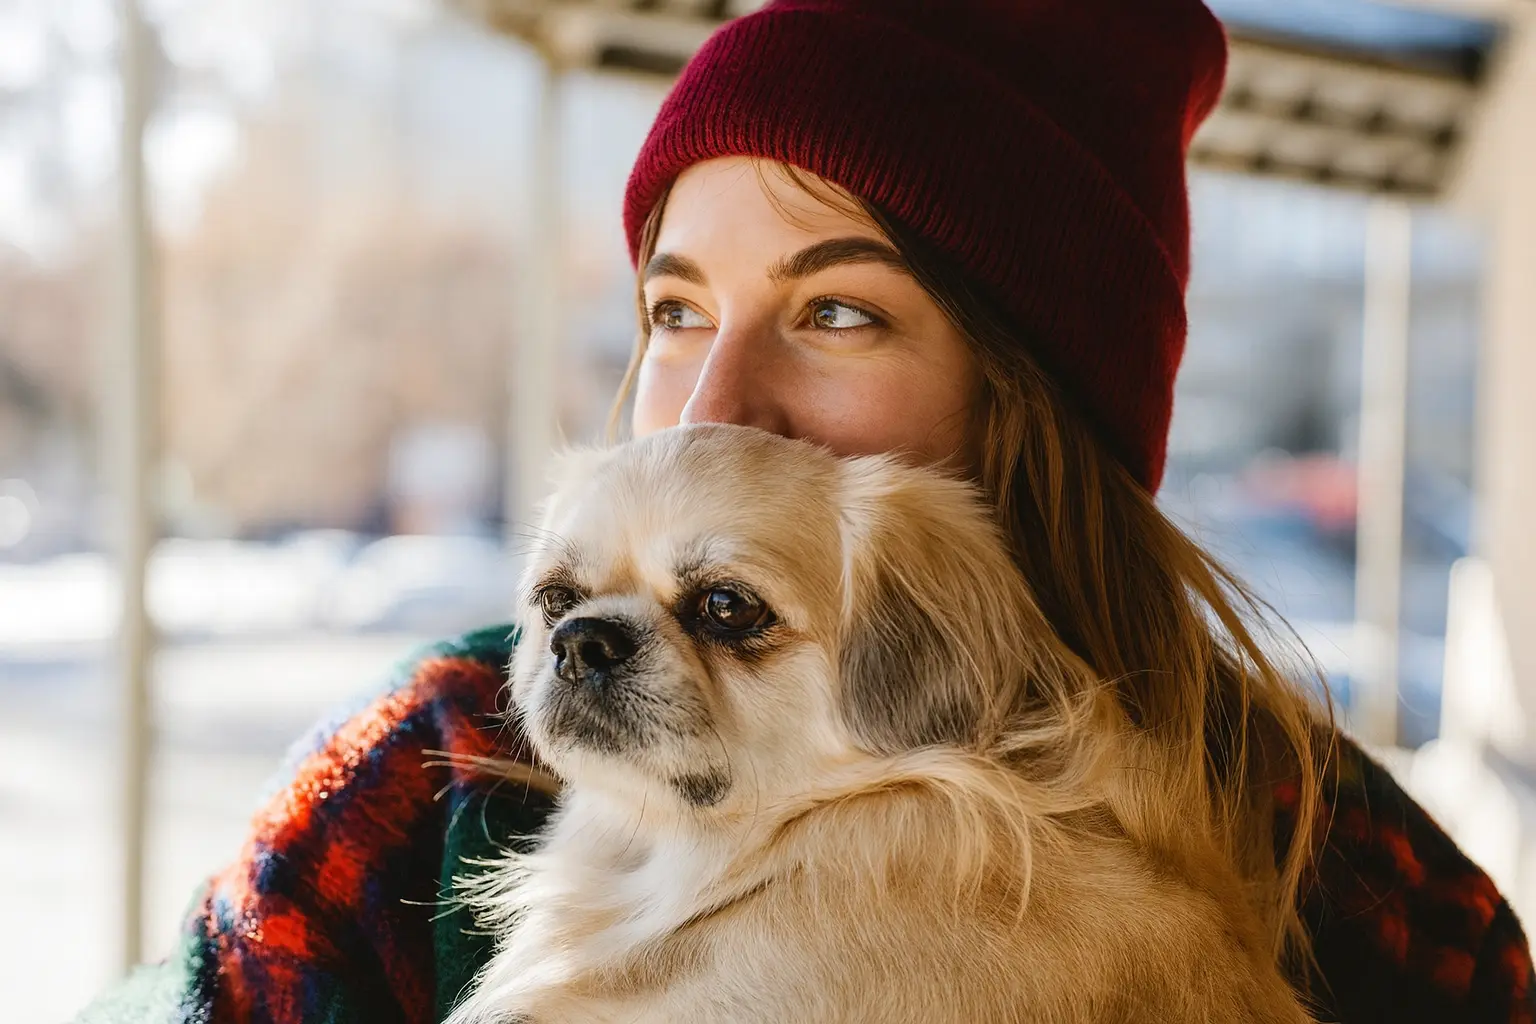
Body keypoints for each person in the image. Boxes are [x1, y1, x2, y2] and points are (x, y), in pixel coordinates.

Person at [82, 1, 1534, 1022]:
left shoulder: (1346, 857)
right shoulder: (449, 756)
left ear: (1041, 412)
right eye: (672, 305)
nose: (715, 399)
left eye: (837, 309)